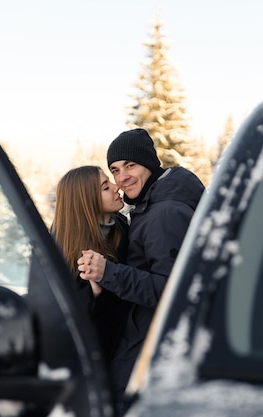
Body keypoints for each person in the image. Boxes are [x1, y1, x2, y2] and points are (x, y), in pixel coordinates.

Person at [77, 128, 205, 407]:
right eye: (115, 170)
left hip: (153, 348)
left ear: (148, 163)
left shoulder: (165, 213)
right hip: (145, 339)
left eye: (130, 165)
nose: (122, 178)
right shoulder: (150, 207)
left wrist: (107, 272)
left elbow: (173, 293)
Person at [51, 165, 131, 375]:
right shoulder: (59, 250)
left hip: (124, 356)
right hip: (89, 369)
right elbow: (56, 316)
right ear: (86, 201)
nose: (117, 187)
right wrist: (93, 292)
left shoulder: (121, 228)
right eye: (106, 187)